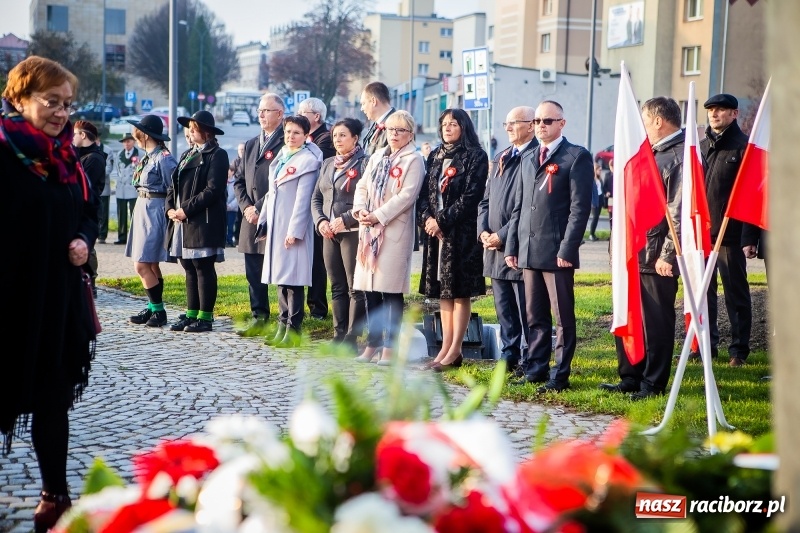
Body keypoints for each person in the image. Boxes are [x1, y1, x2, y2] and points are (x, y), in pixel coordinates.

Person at [0, 55, 99, 532]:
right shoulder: (3, 150)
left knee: (52, 399)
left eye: (67, 104)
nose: (62, 113)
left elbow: (87, 212)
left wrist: (84, 238)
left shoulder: (67, 158)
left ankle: (54, 497)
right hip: (8, 300)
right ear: (19, 98)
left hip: (57, 300)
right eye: (51, 102)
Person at [505, 100, 593, 393]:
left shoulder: (576, 156)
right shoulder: (530, 158)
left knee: (562, 318)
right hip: (530, 250)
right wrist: (512, 246)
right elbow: (520, 207)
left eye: (547, 121)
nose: (541, 126)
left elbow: (580, 209)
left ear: (561, 124)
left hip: (557, 253)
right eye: (538, 121)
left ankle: (560, 374)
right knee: (535, 316)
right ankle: (536, 368)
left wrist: (568, 249)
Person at [600, 97, 684, 400]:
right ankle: (630, 376)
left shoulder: (679, 155)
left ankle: (653, 382)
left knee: (656, 322)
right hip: (631, 251)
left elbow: (679, 210)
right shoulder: (649, 153)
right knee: (628, 314)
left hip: (654, 256)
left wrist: (667, 254)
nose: (643, 128)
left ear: (659, 121)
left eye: (645, 121)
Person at [418, 108, 488, 371]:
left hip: (461, 233)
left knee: (459, 291)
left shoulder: (475, 156)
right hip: (436, 234)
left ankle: (456, 350)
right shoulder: (435, 155)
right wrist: (427, 219)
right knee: (442, 291)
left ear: (464, 127)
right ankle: (444, 349)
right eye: (444, 124)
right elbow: (424, 193)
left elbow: (471, 197)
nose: (447, 128)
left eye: (453, 124)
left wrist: (442, 220)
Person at [352, 110, 425, 365]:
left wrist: (378, 215)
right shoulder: (376, 157)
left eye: (400, 130)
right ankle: (372, 344)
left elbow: (407, 195)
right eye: (391, 130)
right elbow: (362, 185)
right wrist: (360, 209)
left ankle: (390, 347)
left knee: (391, 292)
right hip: (369, 231)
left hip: (392, 230)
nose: (394, 134)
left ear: (410, 134)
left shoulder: (413, 160)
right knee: (370, 291)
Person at [478, 106, 537, 378]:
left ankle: (528, 354)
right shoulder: (502, 157)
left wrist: (501, 235)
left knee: (525, 307)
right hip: (492, 246)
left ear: (531, 126)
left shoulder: (535, 156)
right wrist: (483, 232)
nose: (509, 127)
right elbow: (485, 200)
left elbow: (525, 207)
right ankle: (509, 352)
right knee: (503, 306)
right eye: (507, 123)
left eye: (515, 123)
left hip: (515, 245)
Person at [256, 115, 323, 347]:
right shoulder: (282, 157)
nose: (290, 136)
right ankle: (282, 323)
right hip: (277, 225)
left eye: (296, 133)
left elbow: (304, 199)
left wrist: (294, 230)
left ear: (306, 136)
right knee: (281, 279)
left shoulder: (308, 161)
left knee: (294, 280)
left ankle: (293, 329)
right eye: (287, 132)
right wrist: (263, 222)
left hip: (293, 228)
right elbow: (270, 194)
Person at [698, 93, 752, 367]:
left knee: (735, 294)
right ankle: (705, 346)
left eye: (720, 110)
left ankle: (739, 351)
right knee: (702, 293)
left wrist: (748, 237)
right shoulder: (701, 145)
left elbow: (752, 196)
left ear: (734, 114)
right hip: (701, 234)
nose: (714, 114)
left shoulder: (743, 148)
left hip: (729, 236)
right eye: (710, 110)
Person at [165, 110, 229, 333]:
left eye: (194, 129)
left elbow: (213, 190)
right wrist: (170, 208)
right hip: (182, 219)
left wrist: (186, 210)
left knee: (202, 266)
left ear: (207, 132)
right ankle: (191, 313)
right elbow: (173, 185)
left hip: (203, 220)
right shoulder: (186, 154)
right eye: (189, 129)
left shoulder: (217, 154)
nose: (190, 132)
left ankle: (205, 317)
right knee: (188, 266)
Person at [311, 118, 369, 352]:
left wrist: (344, 219)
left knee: (355, 287)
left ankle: (353, 339)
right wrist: (321, 221)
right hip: (329, 234)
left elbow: (367, 199)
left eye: (343, 135)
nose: (337, 140)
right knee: (336, 286)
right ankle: (339, 333)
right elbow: (316, 198)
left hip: (352, 232)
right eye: (335, 135)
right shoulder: (327, 164)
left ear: (355, 138)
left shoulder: (364, 163)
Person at [234, 93, 285, 336]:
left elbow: (280, 182)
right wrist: (246, 207)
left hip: (273, 214)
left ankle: (285, 319)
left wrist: (259, 208)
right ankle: (259, 316)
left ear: (280, 114)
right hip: (250, 218)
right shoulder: (253, 143)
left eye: (267, 110)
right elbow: (239, 180)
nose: (261, 115)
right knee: (253, 270)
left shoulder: (287, 141)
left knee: (279, 270)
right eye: (260, 111)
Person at [125, 114, 178, 327]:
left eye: (137, 131)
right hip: (142, 208)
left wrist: (170, 211)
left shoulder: (164, 158)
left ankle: (159, 310)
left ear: (145, 135)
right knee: (151, 262)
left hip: (155, 209)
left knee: (141, 263)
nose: (133, 134)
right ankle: (153, 306)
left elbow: (173, 187)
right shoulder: (148, 155)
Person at [298, 97, 334, 320]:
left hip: (320, 205)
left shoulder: (325, 139)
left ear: (316, 116)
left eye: (303, 113)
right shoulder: (309, 137)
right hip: (306, 203)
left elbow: (310, 163)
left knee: (317, 261)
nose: (300, 116)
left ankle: (318, 307)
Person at [73, 120, 107, 296]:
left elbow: (85, 186)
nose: (73, 138)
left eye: (75, 134)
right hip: (78, 207)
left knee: (88, 247)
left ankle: (91, 283)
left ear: (83, 135)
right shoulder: (81, 154)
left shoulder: (94, 158)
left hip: (89, 208)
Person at [113, 132, 139, 245]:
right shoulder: (119, 154)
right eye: (124, 142)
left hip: (133, 187)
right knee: (121, 212)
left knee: (134, 213)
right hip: (122, 187)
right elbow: (117, 170)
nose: (126, 144)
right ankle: (122, 236)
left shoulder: (140, 154)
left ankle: (135, 236)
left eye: (128, 141)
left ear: (133, 142)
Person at [360, 81, 396, 157]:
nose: (362, 108)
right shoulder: (376, 125)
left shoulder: (398, 125)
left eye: (363, 103)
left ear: (373, 101)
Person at [229, 142, 245, 244]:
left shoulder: (248, 159)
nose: (241, 152)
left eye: (243, 150)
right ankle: (235, 238)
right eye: (240, 150)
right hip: (236, 191)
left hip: (246, 192)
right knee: (236, 219)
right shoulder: (235, 162)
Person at [587, 163, 603, 241]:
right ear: (595, 170)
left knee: (597, 217)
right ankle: (591, 234)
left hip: (600, 198)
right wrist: (592, 201)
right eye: (599, 170)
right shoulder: (592, 179)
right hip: (594, 199)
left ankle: (593, 234)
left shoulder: (599, 179)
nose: (600, 172)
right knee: (595, 216)